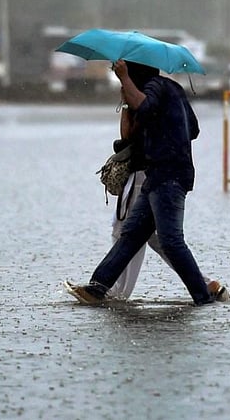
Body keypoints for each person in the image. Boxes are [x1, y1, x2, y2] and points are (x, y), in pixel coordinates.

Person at [65, 60, 218, 306]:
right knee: (131, 235)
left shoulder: (157, 86)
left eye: (127, 72)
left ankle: (204, 296)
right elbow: (131, 134)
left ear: (135, 72)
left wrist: (125, 79)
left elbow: (145, 106)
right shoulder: (168, 91)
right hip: (157, 175)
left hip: (169, 176)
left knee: (170, 240)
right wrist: (130, 99)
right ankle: (97, 289)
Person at [106, 104, 230, 302]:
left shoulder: (142, 98)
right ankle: (205, 283)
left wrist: (126, 106)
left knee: (127, 232)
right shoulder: (163, 100)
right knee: (155, 237)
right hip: (156, 174)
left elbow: (128, 135)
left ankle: (114, 291)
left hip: (143, 174)